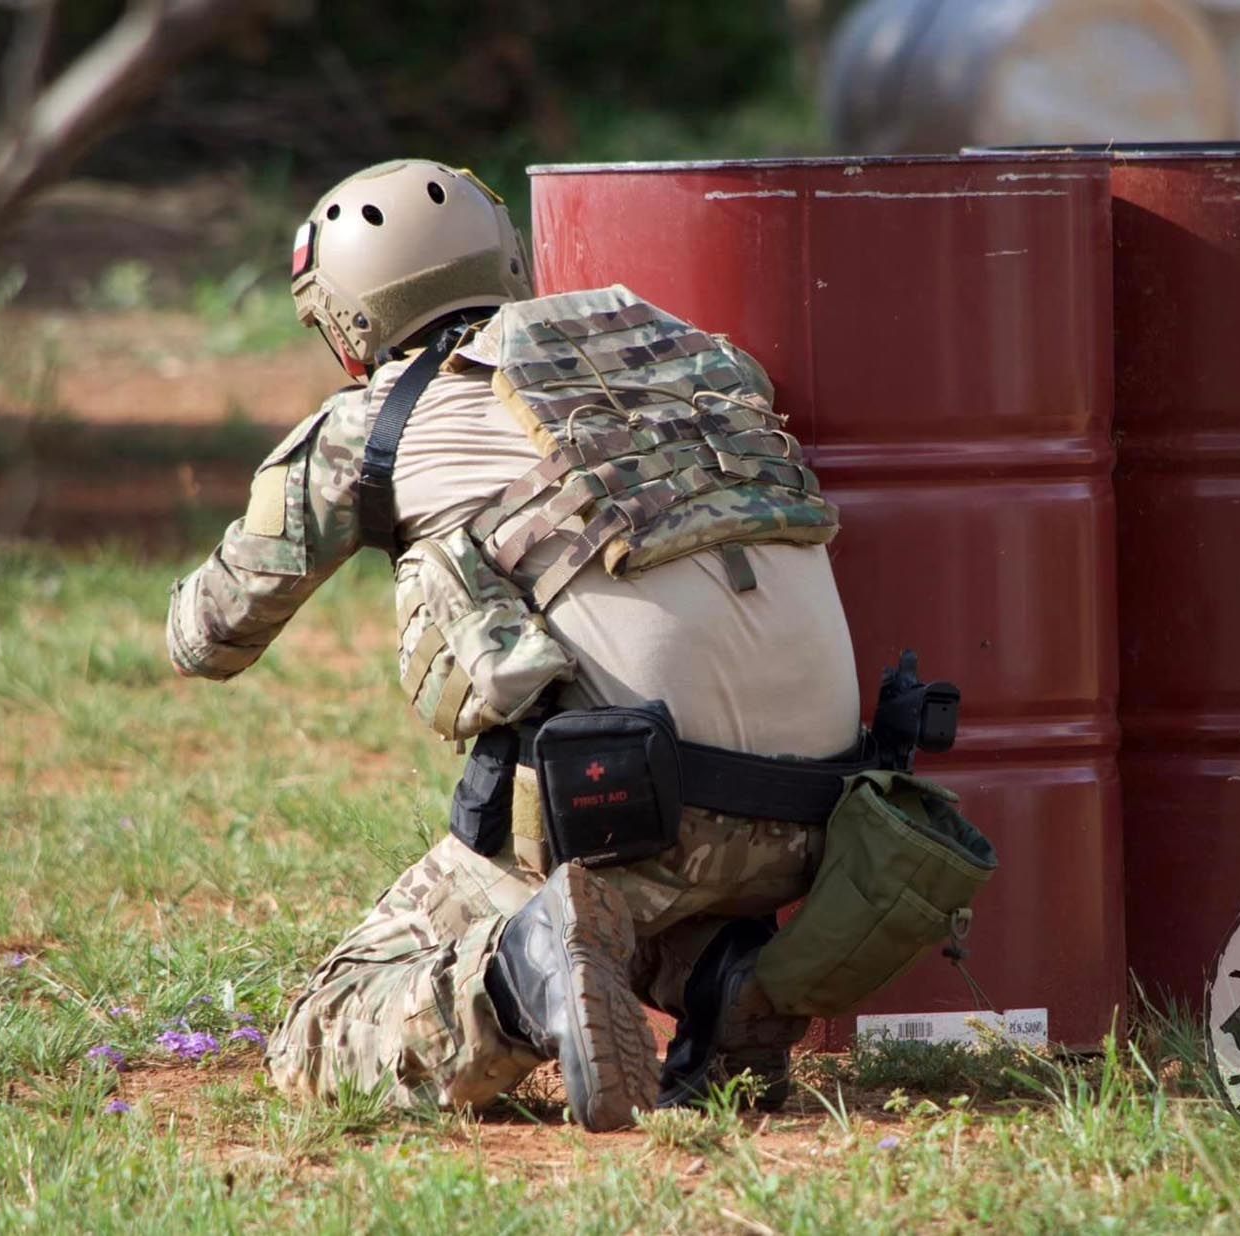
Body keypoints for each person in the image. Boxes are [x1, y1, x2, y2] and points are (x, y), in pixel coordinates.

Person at [167, 159, 867, 1131]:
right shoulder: (692, 352)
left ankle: (520, 982)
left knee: (319, 1035)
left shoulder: (372, 422)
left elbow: (210, 637)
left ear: (349, 314)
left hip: (635, 811)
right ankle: (727, 982)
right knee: (644, 877)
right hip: (821, 817)